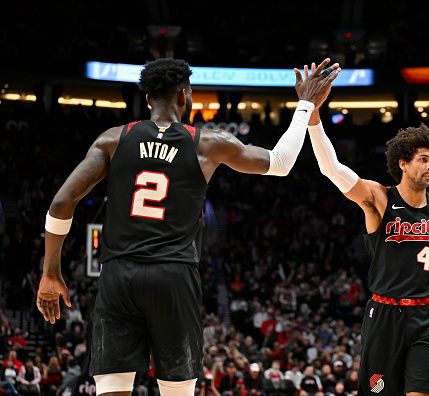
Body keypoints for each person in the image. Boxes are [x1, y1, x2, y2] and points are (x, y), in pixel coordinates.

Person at [36, 57, 340, 396]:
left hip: (119, 275)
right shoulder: (208, 143)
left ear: (149, 99)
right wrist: (304, 105)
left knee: (112, 390)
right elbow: (281, 163)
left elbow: (62, 203)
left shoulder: (113, 140)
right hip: (174, 276)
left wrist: (51, 272)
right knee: (177, 391)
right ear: (185, 96)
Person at [299, 63, 429, 395]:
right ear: (403, 163)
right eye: (423, 159)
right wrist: (312, 115)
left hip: (428, 316)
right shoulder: (379, 198)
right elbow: (331, 168)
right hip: (384, 315)